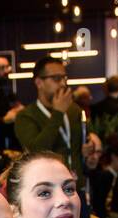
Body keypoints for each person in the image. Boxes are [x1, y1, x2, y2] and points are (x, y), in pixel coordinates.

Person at [13, 56, 103, 191]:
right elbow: (36, 152)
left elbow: (87, 139)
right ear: (39, 82)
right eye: (56, 79)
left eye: (64, 78)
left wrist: (90, 149)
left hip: (78, 187)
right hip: (48, 190)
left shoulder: (74, 110)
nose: (62, 84)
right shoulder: (25, 116)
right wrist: (58, 113)